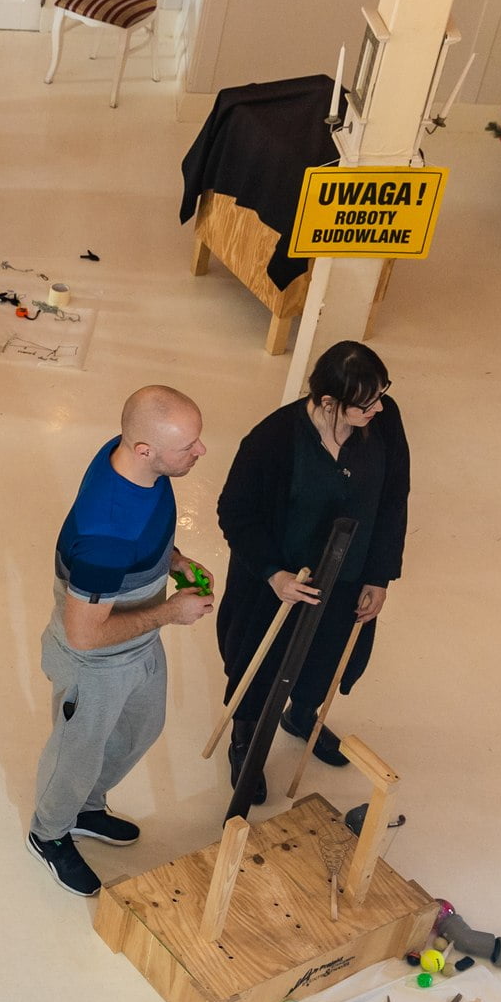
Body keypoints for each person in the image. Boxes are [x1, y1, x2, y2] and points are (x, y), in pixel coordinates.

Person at [29, 386, 214, 897]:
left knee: (141, 729)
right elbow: (84, 635)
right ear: (145, 451)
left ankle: (86, 808)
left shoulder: (134, 461)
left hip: (136, 638)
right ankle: (49, 833)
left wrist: (174, 561)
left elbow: (149, 528)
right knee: (78, 751)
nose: (200, 452)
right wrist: (171, 613)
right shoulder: (104, 532)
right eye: (189, 446)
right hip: (94, 660)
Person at [215, 341, 410, 803]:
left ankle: (302, 714)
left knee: (327, 655)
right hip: (281, 582)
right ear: (327, 402)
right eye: (366, 403)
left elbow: (393, 498)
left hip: (348, 576)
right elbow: (234, 512)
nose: (378, 408)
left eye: (382, 394)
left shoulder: (383, 420)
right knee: (261, 664)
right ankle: (245, 737)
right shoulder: (273, 440)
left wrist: (379, 575)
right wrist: (274, 574)